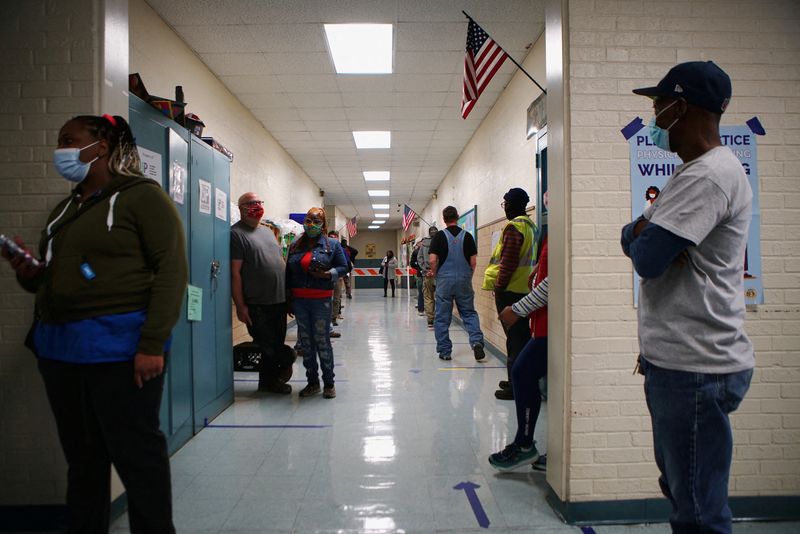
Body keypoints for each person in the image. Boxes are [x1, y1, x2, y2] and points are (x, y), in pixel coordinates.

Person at [2, 114, 187, 533]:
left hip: (122, 350)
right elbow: (52, 283)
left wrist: (152, 344)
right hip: (61, 351)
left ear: (101, 146)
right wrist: (28, 273)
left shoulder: (142, 197)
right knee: (82, 460)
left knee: (137, 457)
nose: (61, 149)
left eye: (70, 139)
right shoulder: (64, 211)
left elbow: (171, 270)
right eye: (59, 140)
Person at [622, 61, 754, 534]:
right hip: (681, 364)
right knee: (685, 493)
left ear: (682, 107)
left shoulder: (708, 177)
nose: (654, 118)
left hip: (696, 367)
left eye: (659, 106)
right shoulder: (692, 173)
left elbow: (647, 257)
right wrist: (642, 232)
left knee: (697, 511)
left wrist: (645, 232)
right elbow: (635, 237)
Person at [489, 236, 548, 471]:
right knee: (524, 372)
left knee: (522, 371)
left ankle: (524, 445)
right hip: (542, 321)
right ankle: (531, 447)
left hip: (551, 324)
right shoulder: (548, 231)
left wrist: (518, 308)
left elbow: (558, 279)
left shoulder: (568, 220)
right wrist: (537, 270)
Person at [231, 192, 294, 394]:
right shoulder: (236, 234)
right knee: (268, 345)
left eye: (259, 202)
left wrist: (289, 295)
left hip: (279, 300)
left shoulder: (268, 232)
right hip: (257, 303)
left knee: (275, 342)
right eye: (251, 203)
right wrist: (240, 305)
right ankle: (288, 359)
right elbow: (235, 274)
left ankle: (269, 382)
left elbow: (279, 262)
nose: (256, 206)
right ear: (241, 208)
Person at [286, 207, 348, 399]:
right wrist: (288, 298)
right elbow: (288, 272)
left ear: (323, 224)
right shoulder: (296, 244)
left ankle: (329, 383)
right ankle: (312, 382)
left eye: (315, 221)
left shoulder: (332, 245)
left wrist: (328, 274)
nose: (310, 224)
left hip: (320, 300)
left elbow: (345, 266)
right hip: (300, 300)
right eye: (308, 220)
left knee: (322, 341)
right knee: (306, 343)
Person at [482, 188, 538, 400]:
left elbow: (508, 263)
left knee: (515, 340)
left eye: (505, 203)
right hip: (522, 289)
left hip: (510, 291)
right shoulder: (530, 226)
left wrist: (498, 286)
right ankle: (516, 379)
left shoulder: (514, 227)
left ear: (514, 204)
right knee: (518, 338)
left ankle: (516, 387)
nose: (504, 207)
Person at [428, 206, 484, 361]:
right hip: (464, 279)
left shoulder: (438, 237)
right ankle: (477, 342)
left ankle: (445, 352)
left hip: (444, 280)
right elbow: (473, 262)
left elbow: (432, 260)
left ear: (443, 219)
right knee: (469, 313)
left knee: (441, 317)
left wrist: (436, 273)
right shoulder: (468, 236)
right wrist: (468, 276)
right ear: (457, 217)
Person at [418, 226, 438, 327]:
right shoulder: (442, 242)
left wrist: (426, 270)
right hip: (439, 275)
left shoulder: (423, 244)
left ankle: (430, 319)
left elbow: (419, 258)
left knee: (428, 297)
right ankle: (440, 318)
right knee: (441, 297)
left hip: (427, 275)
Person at [327, 230, 344, 337]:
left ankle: (333, 318)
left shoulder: (340, 249)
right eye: (330, 237)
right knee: (327, 300)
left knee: (336, 299)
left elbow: (344, 264)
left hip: (337, 276)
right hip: (325, 277)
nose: (332, 239)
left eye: (334, 237)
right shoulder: (323, 248)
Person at [410, 242, 425, 315]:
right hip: (431, 274)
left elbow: (412, 263)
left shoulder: (416, 251)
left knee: (421, 292)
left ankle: (421, 310)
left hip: (420, 274)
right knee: (430, 292)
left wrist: (419, 268)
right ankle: (428, 309)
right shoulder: (432, 249)